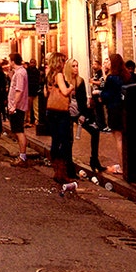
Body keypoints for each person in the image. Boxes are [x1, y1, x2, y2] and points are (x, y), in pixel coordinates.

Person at [44, 54, 82, 183]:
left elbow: (45, 93)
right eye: (63, 61)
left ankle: (57, 169)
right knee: (64, 141)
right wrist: (71, 86)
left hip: (51, 110)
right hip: (60, 112)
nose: (65, 63)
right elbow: (65, 92)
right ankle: (61, 172)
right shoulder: (59, 75)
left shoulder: (49, 75)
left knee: (55, 140)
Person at [101, 54, 135, 175]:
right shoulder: (127, 76)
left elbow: (107, 95)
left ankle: (122, 166)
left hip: (114, 110)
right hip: (125, 110)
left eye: (108, 61)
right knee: (125, 139)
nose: (106, 63)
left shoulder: (111, 78)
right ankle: (127, 164)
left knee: (118, 139)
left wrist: (99, 94)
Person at [7, 53, 31, 167]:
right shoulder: (19, 73)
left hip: (18, 107)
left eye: (9, 61)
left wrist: (14, 105)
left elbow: (19, 90)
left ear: (13, 61)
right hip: (17, 106)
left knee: (19, 131)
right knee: (17, 131)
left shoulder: (20, 73)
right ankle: (21, 155)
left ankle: (22, 157)